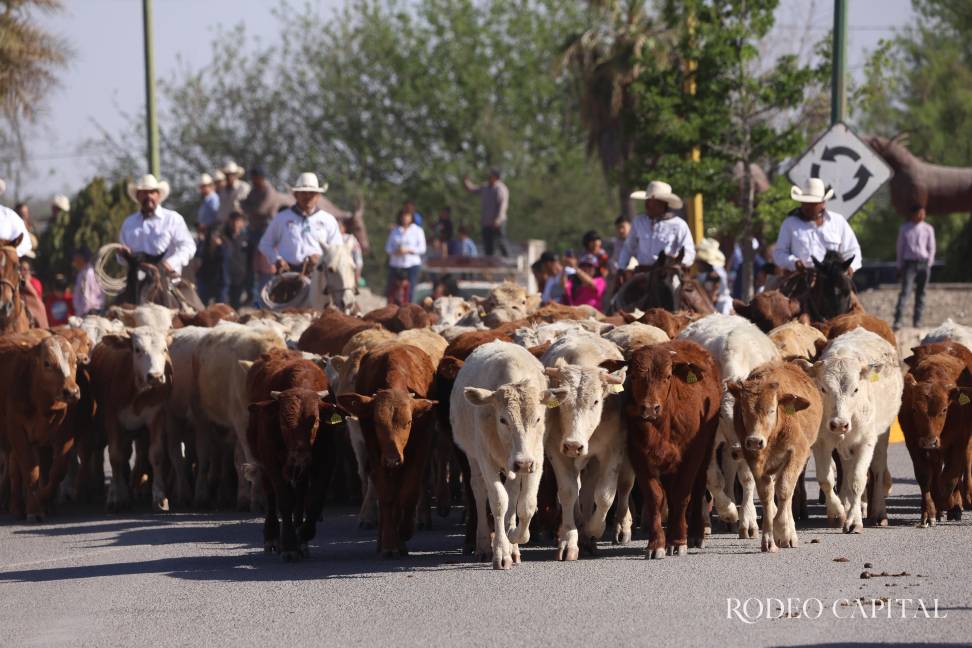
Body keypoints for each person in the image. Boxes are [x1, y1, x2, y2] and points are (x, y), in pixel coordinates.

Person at [119, 174, 197, 301]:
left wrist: (170, 262)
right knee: (116, 309)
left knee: (197, 310)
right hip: (137, 283)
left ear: (158, 196)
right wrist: (123, 254)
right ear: (138, 196)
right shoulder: (129, 223)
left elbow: (188, 246)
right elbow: (122, 260)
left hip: (167, 281)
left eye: (152, 192)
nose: (148, 196)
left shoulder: (172, 219)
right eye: (144, 193)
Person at [258, 172, 341, 275]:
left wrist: (321, 258)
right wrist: (277, 260)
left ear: (318, 196)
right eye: (303, 193)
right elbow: (265, 244)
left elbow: (337, 248)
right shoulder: (282, 218)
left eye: (312, 193)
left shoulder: (328, 220)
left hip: (318, 273)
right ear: (296, 195)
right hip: (288, 273)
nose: (307, 196)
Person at [773, 178, 861, 274]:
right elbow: (779, 253)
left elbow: (852, 250)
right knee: (773, 283)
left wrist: (850, 268)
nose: (807, 206)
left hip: (832, 276)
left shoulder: (838, 221)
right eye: (804, 202)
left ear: (823, 204)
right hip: (801, 275)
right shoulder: (790, 223)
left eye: (812, 203)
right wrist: (794, 263)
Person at [617, 181, 696, 270]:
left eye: (651, 202)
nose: (647, 205)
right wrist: (621, 267)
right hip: (643, 271)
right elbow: (628, 247)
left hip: (666, 272)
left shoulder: (678, 225)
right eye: (647, 200)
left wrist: (678, 264)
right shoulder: (639, 221)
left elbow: (689, 251)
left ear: (663, 203)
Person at [241, 166, 293, 298]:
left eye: (255, 178)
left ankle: (264, 296)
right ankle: (253, 295)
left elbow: (261, 210)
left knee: (265, 267)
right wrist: (250, 209)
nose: (253, 180)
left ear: (261, 178)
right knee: (252, 265)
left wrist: (250, 209)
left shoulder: (269, 191)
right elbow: (245, 205)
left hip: (265, 231)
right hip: (254, 229)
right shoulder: (254, 191)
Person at [893, 204, 936, 330]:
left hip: (923, 263)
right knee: (905, 292)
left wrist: (929, 262)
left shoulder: (928, 228)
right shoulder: (905, 228)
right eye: (919, 213)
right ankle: (898, 320)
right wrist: (899, 265)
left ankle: (918, 320)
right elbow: (900, 248)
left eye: (923, 213)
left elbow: (932, 247)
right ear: (913, 214)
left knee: (921, 293)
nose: (922, 215)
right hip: (909, 264)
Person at [463, 168, 509, 257]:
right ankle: (489, 263)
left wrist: (498, 219)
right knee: (488, 246)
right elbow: (473, 189)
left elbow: (503, 205)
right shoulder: (485, 186)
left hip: (497, 223)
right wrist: (466, 181)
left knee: (501, 243)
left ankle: (508, 261)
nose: (488, 177)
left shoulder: (500, 189)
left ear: (495, 177)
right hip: (487, 223)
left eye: (490, 175)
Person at [385, 207, 426, 303]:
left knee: (410, 291)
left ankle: (408, 308)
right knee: (392, 290)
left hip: (412, 264)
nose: (405, 218)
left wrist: (408, 250)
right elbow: (388, 247)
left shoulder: (417, 230)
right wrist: (396, 252)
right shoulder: (395, 230)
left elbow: (422, 248)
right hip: (396, 264)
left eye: (407, 216)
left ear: (411, 218)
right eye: (403, 216)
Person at [694, 238, 732, 315]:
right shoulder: (705, 273)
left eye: (698, 262)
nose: (696, 264)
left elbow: (712, 297)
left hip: (720, 306)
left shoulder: (715, 274)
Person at [220, 212, 249, 309]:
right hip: (225, 277)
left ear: (242, 223)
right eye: (233, 221)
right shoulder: (222, 237)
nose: (235, 224)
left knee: (236, 304)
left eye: (238, 221)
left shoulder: (246, 238)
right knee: (223, 304)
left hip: (240, 276)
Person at [72, 245, 105, 315]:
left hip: (89, 313)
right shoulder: (86, 273)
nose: (74, 261)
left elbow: (87, 298)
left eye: (76, 258)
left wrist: (83, 314)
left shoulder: (87, 274)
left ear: (82, 259)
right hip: (90, 312)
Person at [216, 160, 251, 224]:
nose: (229, 177)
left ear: (236, 175)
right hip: (225, 224)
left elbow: (243, 207)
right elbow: (221, 209)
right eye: (227, 175)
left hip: (240, 224)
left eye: (232, 174)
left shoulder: (243, 187)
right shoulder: (222, 191)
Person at [338, 218, 364, 285]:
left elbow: (358, 260)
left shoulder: (351, 239)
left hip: (349, 273)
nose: (337, 229)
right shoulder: (329, 240)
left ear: (344, 228)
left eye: (339, 227)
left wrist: (357, 275)